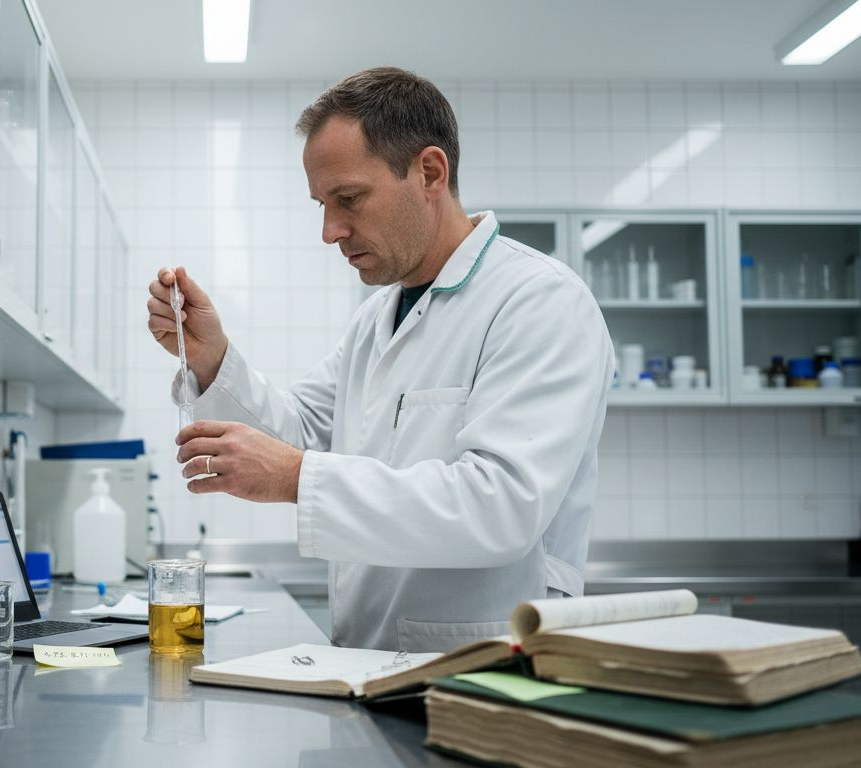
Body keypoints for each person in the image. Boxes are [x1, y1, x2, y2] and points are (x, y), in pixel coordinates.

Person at [145, 67, 613, 652]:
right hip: (368, 658)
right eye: (321, 204)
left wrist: (294, 477)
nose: (329, 230)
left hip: (485, 665)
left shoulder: (539, 300)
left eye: (348, 199)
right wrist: (213, 357)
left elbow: (502, 507)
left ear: (429, 173)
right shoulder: (376, 319)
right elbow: (302, 434)